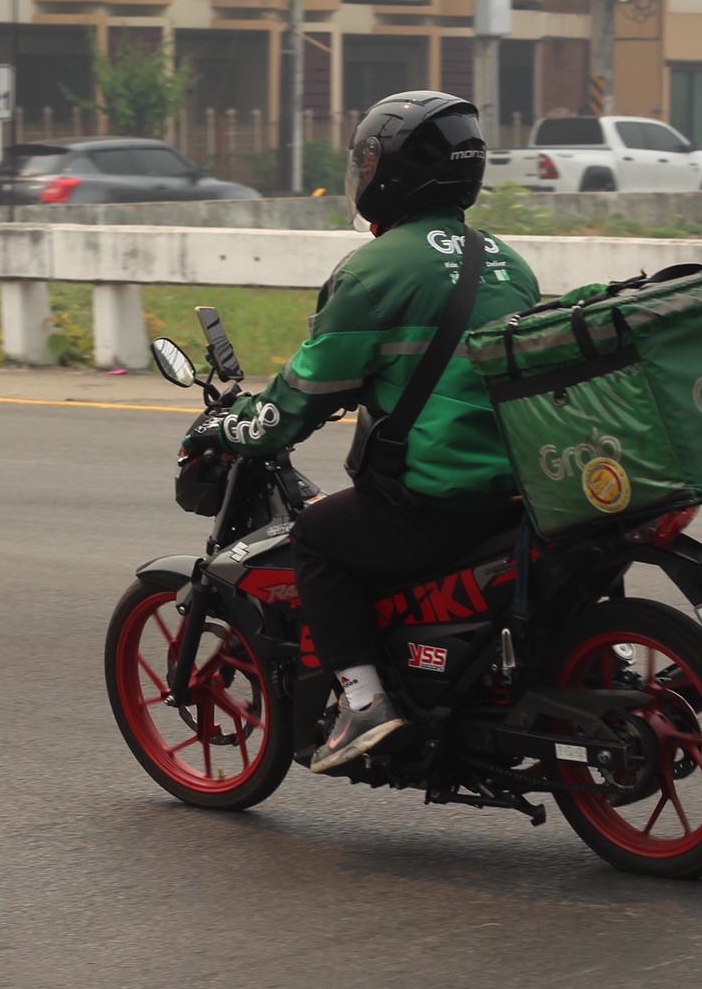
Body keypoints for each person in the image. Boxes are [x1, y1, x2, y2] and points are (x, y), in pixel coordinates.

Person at [184, 91, 540, 773]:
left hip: (437, 499)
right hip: (518, 490)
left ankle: (365, 702)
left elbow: (296, 403)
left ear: (393, 174)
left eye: (369, 160)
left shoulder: (375, 271)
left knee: (316, 537)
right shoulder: (506, 261)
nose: (364, 172)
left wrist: (231, 427)